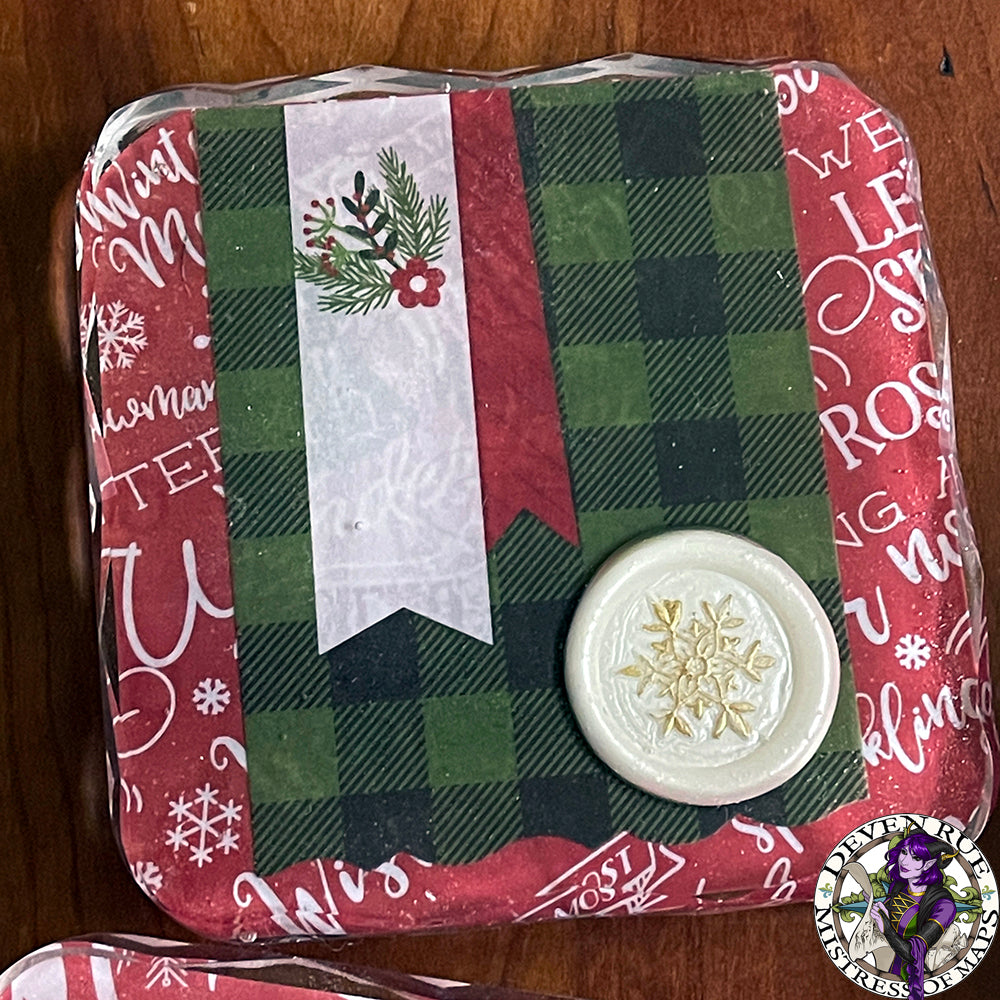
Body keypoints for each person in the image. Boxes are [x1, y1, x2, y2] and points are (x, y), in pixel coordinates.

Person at [869, 826, 959, 1000]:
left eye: (915, 857)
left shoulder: (944, 905)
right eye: (904, 852)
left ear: (929, 864)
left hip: (910, 981)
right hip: (881, 970)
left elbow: (912, 953)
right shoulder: (899, 887)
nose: (905, 861)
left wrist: (886, 927)